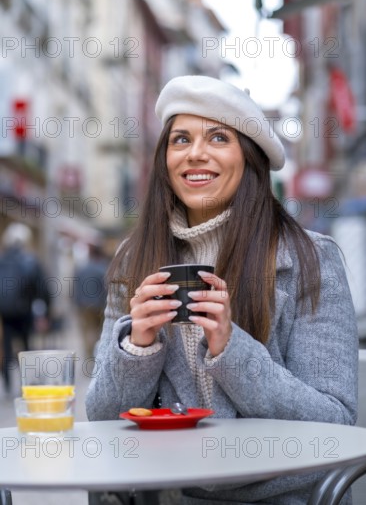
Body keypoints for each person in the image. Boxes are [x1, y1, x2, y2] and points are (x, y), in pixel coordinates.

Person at [86, 76, 358, 504]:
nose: (196, 153)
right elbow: (101, 418)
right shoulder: (133, 258)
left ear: (249, 158)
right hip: (163, 493)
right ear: (165, 161)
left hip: (274, 495)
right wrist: (137, 347)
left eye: (218, 137)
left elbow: (334, 423)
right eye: (180, 139)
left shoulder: (310, 259)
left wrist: (232, 349)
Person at [0, 223, 51, 393]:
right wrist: (45, 313)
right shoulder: (31, 260)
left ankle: (7, 386)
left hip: (5, 313)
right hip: (25, 311)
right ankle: (27, 384)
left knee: (6, 347)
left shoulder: (2, 259)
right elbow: (43, 290)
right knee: (26, 346)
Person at [73, 244, 108, 359]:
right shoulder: (103, 268)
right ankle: (97, 354)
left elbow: (75, 288)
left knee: (87, 331)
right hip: (99, 305)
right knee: (99, 331)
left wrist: (76, 303)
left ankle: (89, 355)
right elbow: (106, 289)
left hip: (84, 305)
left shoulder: (81, 269)